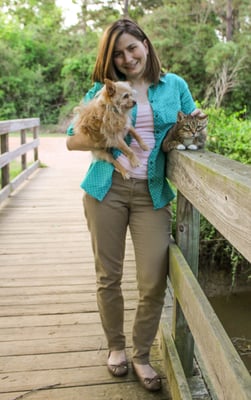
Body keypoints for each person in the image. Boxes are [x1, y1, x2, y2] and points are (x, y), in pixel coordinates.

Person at [67, 18, 200, 392]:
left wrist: (192, 136)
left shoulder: (174, 85)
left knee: (152, 281)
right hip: (105, 189)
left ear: (145, 43)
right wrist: (105, 136)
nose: (127, 58)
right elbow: (71, 141)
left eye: (132, 47)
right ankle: (116, 348)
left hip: (152, 193)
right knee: (108, 276)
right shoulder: (105, 89)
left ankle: (141, 355)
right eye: (118, 53)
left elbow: (196, 123)